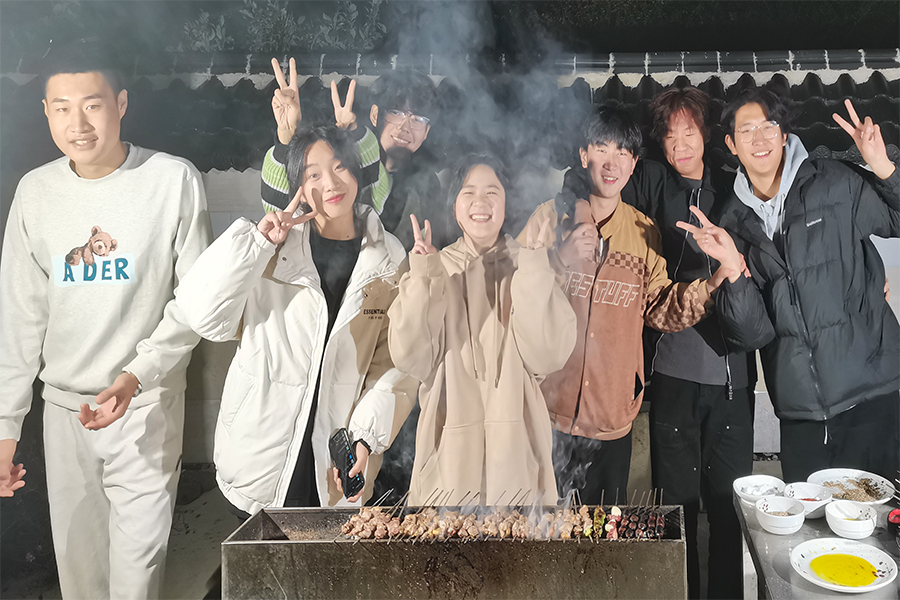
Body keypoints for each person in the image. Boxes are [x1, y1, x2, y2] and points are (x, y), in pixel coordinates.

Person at [0, 44, 211, 599]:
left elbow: (196, 302)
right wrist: (5, 427)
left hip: (144, 408)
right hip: (64, 412)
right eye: (62, 108)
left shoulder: (172, 180)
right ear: (45, 112)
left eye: (92, 105)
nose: (78, 123)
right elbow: (20, 317)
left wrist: (138, 375)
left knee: (136, 578)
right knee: (81, 580)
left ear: (120, 104)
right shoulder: (35, 193)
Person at [176, 124, 417, 514]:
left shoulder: (388, 258)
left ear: (357, 172)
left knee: (327, 551)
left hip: (336, 460)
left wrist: (366, 437)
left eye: (340, 167)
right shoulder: (273, 248)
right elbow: (204, 318)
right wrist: (256, 244)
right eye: (313, 174)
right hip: (259, 457)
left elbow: (392, 362)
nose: (331, 183)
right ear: (298, 187)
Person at [518, 105, 745, 508]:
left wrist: (711, 285)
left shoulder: (644, 232)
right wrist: (557, 261)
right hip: (545, 411)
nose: (612, 163)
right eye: (602, 149)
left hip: (612, 417)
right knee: (544, 531)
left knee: (605, 533)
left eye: (622, 153)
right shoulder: (547, 220)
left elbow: (659, 307)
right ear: (584, 155)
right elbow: (512, 295)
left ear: (634, 163)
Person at [695, 87, 899, 483]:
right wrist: (733, 270)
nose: (759, 139)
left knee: (879, 517)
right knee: (811, 522)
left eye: (769, 126)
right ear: (731, 144)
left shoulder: (834, 182)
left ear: (784, 134)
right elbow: (752, 335)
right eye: (746, 130)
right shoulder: (731, 221)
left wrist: (883, 167)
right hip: (799, 409)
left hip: (869, 393)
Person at [388, 153, 577, 506]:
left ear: (506, 204)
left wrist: (535, 268)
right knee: (444, 543)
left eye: (492, 192)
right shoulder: (435, 268)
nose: (480, 202)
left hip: (517, 459)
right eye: (468, 192)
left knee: (517, 539)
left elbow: (546, 356)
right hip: (447, 462)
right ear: (455, 207)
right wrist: (424, 276)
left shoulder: (529, 263)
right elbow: (410, 357)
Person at [644, 86, 755, 600]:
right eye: (670, 136)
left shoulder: (735, 189)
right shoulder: (652, 185)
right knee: (676, 507)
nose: (680, 145)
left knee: (729, 507)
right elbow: (597, 180)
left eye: (688, 132)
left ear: (706, 134)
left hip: (732, 376)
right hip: (673, 372)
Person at [261, 58, 445, 249]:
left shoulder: (427, 182)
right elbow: (284, 209)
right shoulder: (342, 163)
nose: (404, 127)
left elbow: (431, 242)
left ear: (426, 132)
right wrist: (286, 136)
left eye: (418, 119)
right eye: (396, 113)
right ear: (375, 115)